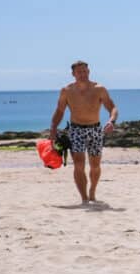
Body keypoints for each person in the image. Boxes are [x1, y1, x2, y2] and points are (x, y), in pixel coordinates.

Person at [50, 60, 118, 204]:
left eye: (85, 71)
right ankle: (84, 198)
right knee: (79, 165)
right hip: (76, 130)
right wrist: (53, 129)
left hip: (95, 129)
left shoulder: (99, 89)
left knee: (95, 166)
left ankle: (92, 190)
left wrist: (111, 121)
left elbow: (112, 107)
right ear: (73, 74)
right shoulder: (67, 91)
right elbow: (60, 111)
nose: (83, 74)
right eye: (79, 72)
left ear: (89, 72)